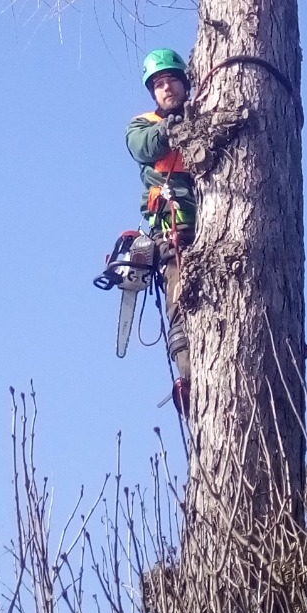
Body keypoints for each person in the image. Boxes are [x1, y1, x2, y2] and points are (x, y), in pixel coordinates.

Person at [127, 49, 195, 418]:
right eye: (158, 84)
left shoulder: (207, 114)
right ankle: (188, 377)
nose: (166, 88)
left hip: (213, 220)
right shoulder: (143, 126)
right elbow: (146, 146)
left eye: (171, 80)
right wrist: (172, 126)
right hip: (173, 229)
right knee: (181, 301)